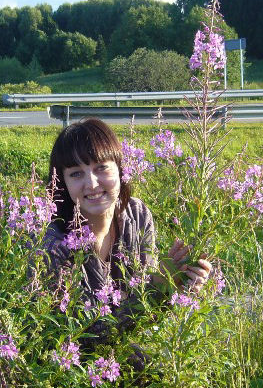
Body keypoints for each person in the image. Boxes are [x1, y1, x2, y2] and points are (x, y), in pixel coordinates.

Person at [42, 118, 212, 351]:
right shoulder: (52, 244)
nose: (91, 184)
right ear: (62, 183)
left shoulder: (138, 215)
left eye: (101, 168)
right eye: (76, 174)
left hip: (127, 356)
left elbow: (146, 319)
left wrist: (177, 285)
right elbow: (83, 338)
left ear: (120, 169)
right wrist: (156, 287)